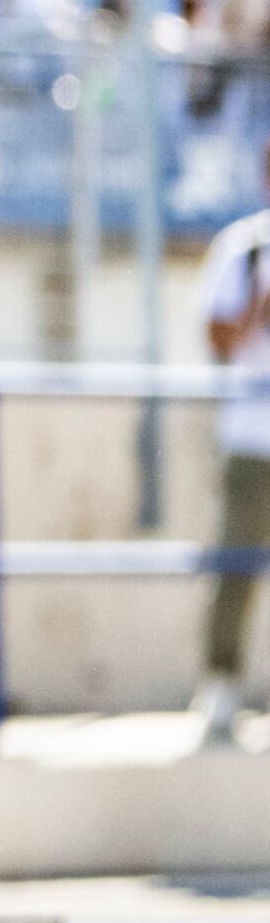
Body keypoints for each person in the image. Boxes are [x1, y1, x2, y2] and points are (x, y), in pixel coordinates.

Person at [199, 139, 270, 746]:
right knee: (237, 565)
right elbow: (217, 339)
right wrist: (259, 310)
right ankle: (221, 684)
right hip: (251, 439)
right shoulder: (243, 247)